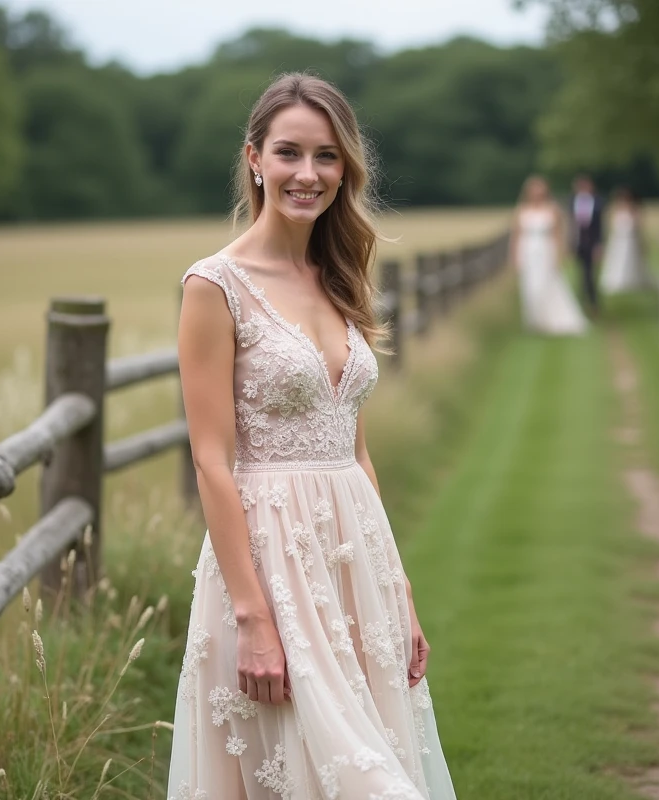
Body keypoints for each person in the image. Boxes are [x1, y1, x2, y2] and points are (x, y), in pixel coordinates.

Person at [170, 73, 457, 798]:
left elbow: (356, 450)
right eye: (290, 153)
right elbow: (210, 459)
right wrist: (252, 617)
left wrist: (401, 592)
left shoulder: (339, 273)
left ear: (345, 167)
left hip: (356, 561)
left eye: (327, 156)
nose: (308, 173)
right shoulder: (215, 286)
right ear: (255, 160)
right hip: (271, 567)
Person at [510, 175, 589, 335]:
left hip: (546, 251)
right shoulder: (521, 210)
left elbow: (557, 235)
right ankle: (535, 321)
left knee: (545, 285)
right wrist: (515, 256)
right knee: (530, 288)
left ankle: (551, 319)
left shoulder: (553, 209)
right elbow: (516, 236)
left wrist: (559, 256)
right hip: (528, 251)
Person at [599, 187, 655, 295]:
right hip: (618, 240)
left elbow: (639, 226)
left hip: (630, 240)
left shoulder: (635, 210)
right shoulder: (615, 210)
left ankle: (631, 280)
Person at [570, 174, 604, 314]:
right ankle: (584, 301)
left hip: (591, 243)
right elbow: (571, 224)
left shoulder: (597, 202)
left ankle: (592, 302)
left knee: (588, 273)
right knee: (581, 273)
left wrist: (599, 244)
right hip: (578, 242)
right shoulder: (572, 202)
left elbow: (600, 226)